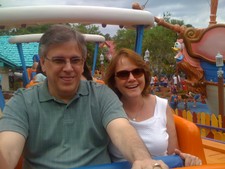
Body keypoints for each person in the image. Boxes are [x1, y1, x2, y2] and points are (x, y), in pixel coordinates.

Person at [0, 25, 168, 169]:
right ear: (43, 63)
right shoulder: (22, 102)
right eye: (59, 60)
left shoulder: (101, 95)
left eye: (75, 60)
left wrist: (143, 159)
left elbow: (122, 131)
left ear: (82, 64)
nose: (68, 68)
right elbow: (8, 148)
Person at [104, 48, 202, 167]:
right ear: (114, 81)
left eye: (137, 72)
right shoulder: (107, 109)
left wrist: (187, 159)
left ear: (144, 75)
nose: (131, 78)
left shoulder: (161, 106)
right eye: (123, 74)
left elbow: (173, 154)